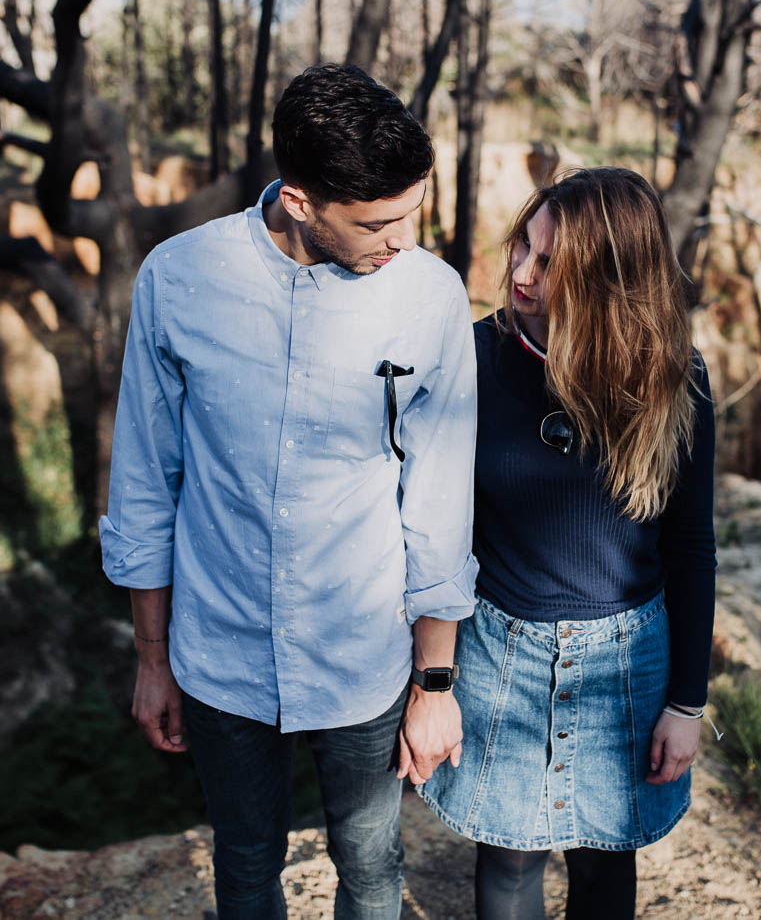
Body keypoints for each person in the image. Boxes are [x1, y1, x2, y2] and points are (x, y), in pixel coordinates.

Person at [99, 63, 478, 920]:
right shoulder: (179, 277)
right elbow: (145, 483)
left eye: (414, 209)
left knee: (372, 864)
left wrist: (437, 681)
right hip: (220, 649)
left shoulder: (430, 295)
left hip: (365, 653)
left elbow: (440, 502)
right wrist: (152, 657)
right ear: (301, 201)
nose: (405, 239)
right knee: (243, 861)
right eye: (379, 221)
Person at [419, 167, 718, 919]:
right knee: (509, 859)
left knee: (605, 866)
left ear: (609, 274)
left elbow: (690, 547)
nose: (521, 271)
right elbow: (437, 528)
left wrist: (687, 701)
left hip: (626, 658)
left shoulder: (673, 377)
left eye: (549, 262)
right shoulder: (476, 358)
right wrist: (434, 677)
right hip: (501, 648)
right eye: (523, 244)